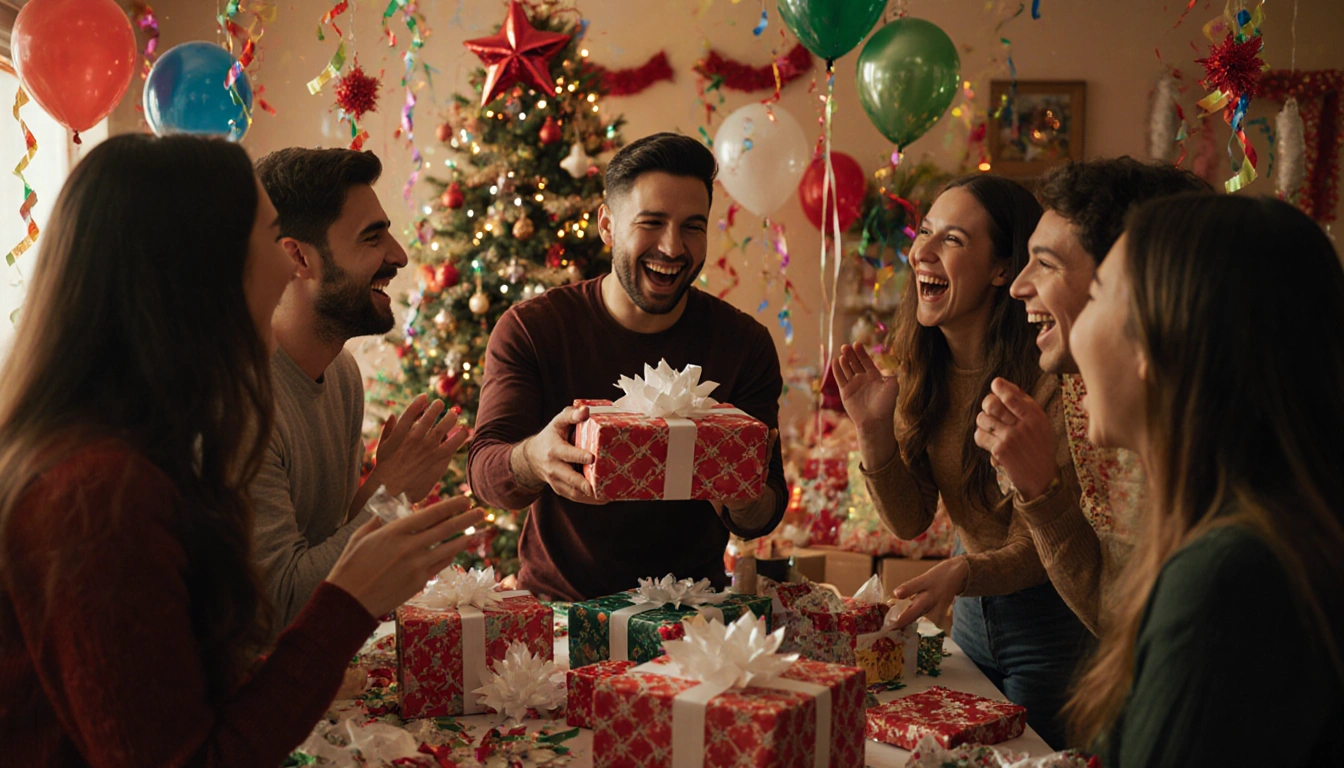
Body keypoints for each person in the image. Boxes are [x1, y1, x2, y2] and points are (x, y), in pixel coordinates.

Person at [0, 134, 485, 764]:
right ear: (200, 268)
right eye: (268, 236)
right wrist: (349, 600)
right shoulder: (97, 492)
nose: (288, 268)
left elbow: (189, 689)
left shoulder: (151, 446)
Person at [1062, 194, 1343, 765]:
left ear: (1157, 341)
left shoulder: (1226, 580)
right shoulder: (1267, 533)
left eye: (1093, 296)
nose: (1074, 331)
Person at [468, 132, 787, 602]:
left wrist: (745, 497)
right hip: (561, 611)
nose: (673, 247)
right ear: (607, 226)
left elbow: (765, 508)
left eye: (692, 226)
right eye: (652, 222)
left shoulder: (744, 345)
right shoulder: (534, 329)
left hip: (691, 614)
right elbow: (484, 472)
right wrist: (533, 456)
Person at [834, 174, 1086, 748]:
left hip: (1053, 629)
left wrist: (965, 570)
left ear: (1004, 269)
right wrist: (873, 433)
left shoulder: (1048, 382)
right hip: (972, 619)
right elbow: (909, 520)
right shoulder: (925, 372)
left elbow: (1045, 546)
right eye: (923, 233)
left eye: (952, 239)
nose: (921, 251)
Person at [974, 158, 1211, 634]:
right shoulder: (1088, 390)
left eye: (1045, 263)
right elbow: (1114, 609)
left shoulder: (1216, 466)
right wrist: (1039, 487)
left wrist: (1040, 489)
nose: (1017, 286)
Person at [253, 148, 464, 631]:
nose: (399, 255)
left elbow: (326, 545)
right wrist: (391, 494)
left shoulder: (342, 374)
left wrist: (379, 491)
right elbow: (281, 603)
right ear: (298, 257)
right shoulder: (245, 402)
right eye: (373, 238)